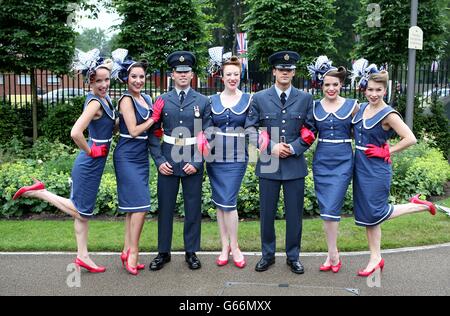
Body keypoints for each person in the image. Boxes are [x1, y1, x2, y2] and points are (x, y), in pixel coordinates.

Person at [13, 48, 116, 273]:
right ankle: (40, 192)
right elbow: (75, 133)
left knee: (82, 214)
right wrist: (91, 151)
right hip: (89, 163)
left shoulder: (105, 99)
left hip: (93, 163)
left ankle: (83, 256)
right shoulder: (95, 103)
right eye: (98, 81)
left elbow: (109, 126)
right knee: (81, 211)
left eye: (106, 79)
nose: (103, 84)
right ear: (90, 81)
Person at [351, 59, 437, 277]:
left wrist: (387, 150)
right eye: (370, 89)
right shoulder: (360, 108)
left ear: (385, 90)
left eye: (378, 90)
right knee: (368, 217)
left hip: (377, 169)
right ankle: (375, 257)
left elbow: (410, 138)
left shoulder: (389, 114)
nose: (373, 94)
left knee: (375, 213)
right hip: (360, 166)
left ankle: (419, 206)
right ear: (364, 88)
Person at [244, 51, 315, 274]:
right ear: (274, 71)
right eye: (281, 69)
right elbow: (250, 128)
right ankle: (267, 255)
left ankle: (293, 256)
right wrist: (270, 147)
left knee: (294, 215)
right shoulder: (259, 97)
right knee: (267, 214)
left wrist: (293, 148)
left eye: (289, 70)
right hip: (268, 162)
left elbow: (311, 129)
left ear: (294, 73)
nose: (285, 73)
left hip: (294, 163)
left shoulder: (305, 99)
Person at [148, 51, 212, 271]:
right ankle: (163, 253)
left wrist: (196, 162)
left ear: (192, 74)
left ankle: (191, 252)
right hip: (168, 160)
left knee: (192, 208)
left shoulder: (203, 101)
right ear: (172, 74)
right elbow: (154, 132)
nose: (183, 75)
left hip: (192, 160)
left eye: (186, 72)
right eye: (179, 72)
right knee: (165, 209)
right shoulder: (162, 100)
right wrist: (158, 160)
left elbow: (208, 133)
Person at [111, 49, 164, 276]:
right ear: (126, 78)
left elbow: (150, 130)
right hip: (126, 155)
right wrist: (153, 118)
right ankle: (133, 252)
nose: (138, 80)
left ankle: (126, 250)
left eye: (142, 76)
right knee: (141, 206)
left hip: (141, 156)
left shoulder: (147, 98)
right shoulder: (125, 99)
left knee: (133, 209)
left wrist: (158, 128)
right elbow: (132, 130)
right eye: (134, 77)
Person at [307, 56, 358, 273]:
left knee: (332, 205)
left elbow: (364, 132)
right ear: (321, 84)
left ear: (341, 85)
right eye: (327, 84)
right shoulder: (315, 106)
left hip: (343, 160)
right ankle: (332, 253)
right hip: (322, 160)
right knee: (325, 207)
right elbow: (309, 131)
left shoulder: (352, 105)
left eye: (335, 84)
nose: (331, 88)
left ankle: (333, 254)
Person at [206, 55, 250, 269]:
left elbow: (253, 126)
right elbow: (206, 127)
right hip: (214, 157)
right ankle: (224, 247)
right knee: (220, 204)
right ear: (221, 77)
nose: (232, 78)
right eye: (228, 74)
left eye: (236, 74)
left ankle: (235, 246)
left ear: (240, 76)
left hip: (237, 157)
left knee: (229, 203)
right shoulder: (211, 101)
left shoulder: (249, 99)